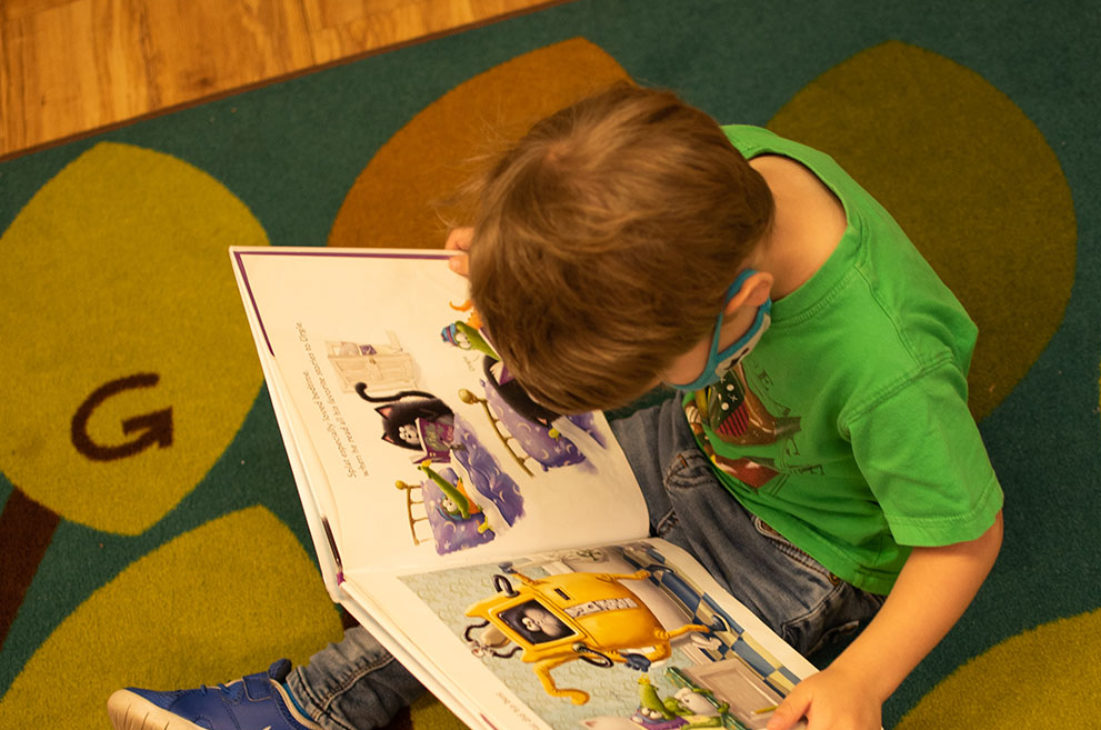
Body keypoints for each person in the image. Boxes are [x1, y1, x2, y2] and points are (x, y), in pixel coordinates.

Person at [107, 84, 1003, 730]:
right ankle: (312, 710)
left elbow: (963, 539)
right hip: (690, 447)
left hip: (806, 552)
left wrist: (863, 678)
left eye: (648, 371)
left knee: (614, 679)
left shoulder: (888, 372)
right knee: (486, 572)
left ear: (739, 306)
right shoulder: (703, 179)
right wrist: (515, 262)